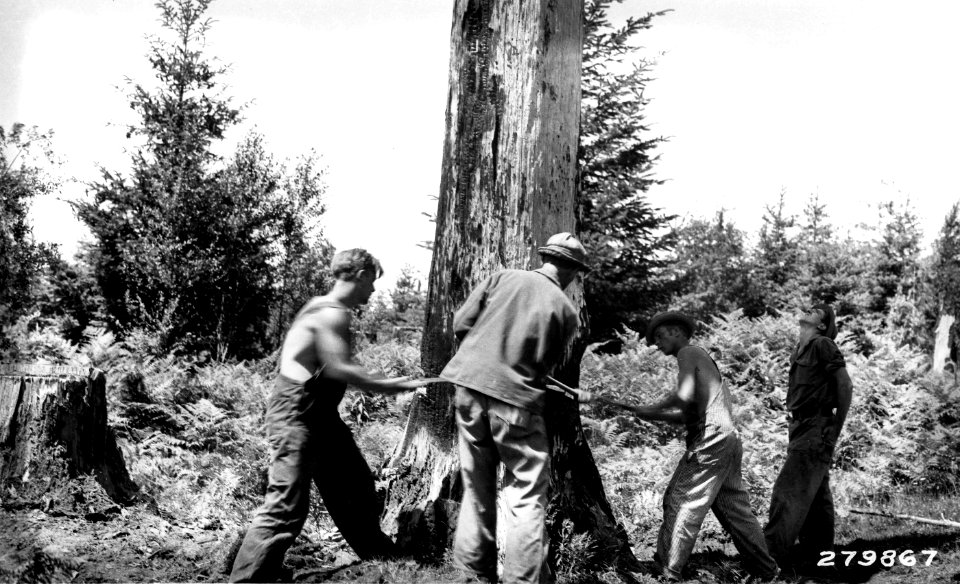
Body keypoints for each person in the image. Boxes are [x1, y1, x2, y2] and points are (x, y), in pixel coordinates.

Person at [230, 249, 428, 583]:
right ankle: (246, 580)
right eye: (373, 281)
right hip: (297, 414)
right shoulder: (330, 313)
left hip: (320, 416)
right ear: (361, 274)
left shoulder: (331, 310)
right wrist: (394, 384)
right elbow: (338, 367)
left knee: (357, 486)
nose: (374, 290)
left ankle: (380, 557)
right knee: (286, 508)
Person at [440, 232, 590, 584]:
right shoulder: (567, 311)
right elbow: (543, 367)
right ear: (573, 272)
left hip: (469, 389)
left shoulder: (502, 278)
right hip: (516, 405)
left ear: (545, 258)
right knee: (525, 497)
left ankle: (470, 576)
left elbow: (461, 324)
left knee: (477, 487)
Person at [629, 311, 779, 582]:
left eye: (661, 337)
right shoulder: (702, 363)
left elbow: (681, 396)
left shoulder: (688, 352)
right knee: (734, 508)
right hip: (727, 438)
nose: (657, 344)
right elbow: (685, 414)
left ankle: (667, 571)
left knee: (681, 500)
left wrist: (650, 408)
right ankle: (767, 571)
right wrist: (648, 413)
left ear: (677, 332)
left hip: (711, 439)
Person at [764, 303, 853, 571]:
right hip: (801, 427)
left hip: (816, 427)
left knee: (786, 492)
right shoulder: (799, 349)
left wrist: (834, 428)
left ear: (823, 325)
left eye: (815, 311)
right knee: (816, 497)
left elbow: (845, 385)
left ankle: (768, 561)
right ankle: (820, 557)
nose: (807, 310)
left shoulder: (823, 344)